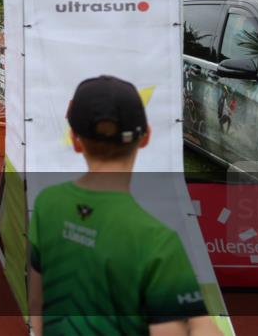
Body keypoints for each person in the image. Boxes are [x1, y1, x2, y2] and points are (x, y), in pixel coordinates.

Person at [29, 76, 221, 336]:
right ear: (145, 137)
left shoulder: (46, 204)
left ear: (75, 139)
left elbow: (36, 303)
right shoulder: (158, 241)